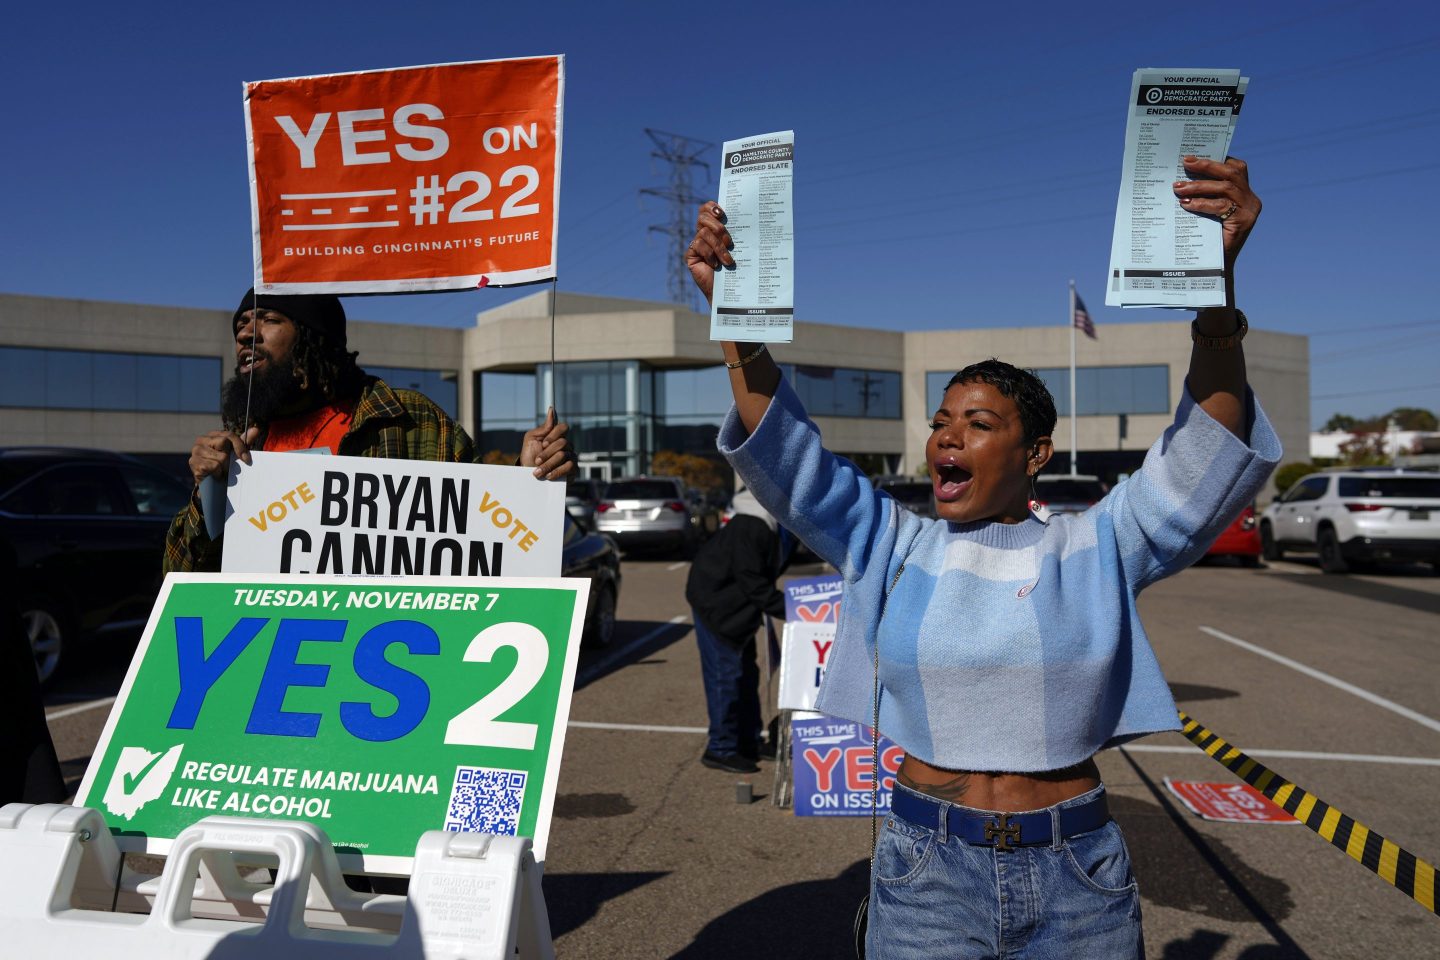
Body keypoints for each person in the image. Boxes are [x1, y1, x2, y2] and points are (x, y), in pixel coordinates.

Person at [686, 156, 1275, 958]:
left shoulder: (1099, 543)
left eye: (978, 422)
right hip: (924, 873)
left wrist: (1215, 293)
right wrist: (736, 323)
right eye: (939, 421)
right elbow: (790, 457)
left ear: (1035, 454)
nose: (945, 437)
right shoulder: (892, 541)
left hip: (1080, 876)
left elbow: (1203, 455)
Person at [164, 288, 574, 572]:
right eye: (242, 322)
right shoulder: (244, 440)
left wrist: (528, 478)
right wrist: (208, 491)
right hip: (280, 661)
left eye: (268, 319)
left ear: (313, 340)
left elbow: (480, 537)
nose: (245, 333)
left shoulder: (404, 418)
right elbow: (179, 577)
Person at [685, 486, 793, 774]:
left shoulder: (773, 525)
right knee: (726, 675)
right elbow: (753, 581)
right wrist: (795, 610)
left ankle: (748, 741)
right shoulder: (751, 525)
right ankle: (720, 748)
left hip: (737, 606)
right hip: (718, 605)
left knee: (747, 674)